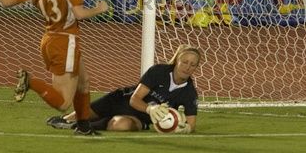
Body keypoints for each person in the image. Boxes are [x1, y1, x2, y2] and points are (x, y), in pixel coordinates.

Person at [0, 0, 109, 135]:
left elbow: (6, 2)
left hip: (50, 39)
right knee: (63, 103)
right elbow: (79, 14)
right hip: (65, 41)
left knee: (83, 82)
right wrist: (98, 9)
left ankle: (84, 127)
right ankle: (30, 81)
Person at [47, 44, 202, 134]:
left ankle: (87, 126)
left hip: (139, 118)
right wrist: (151, 109)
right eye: (185, 62)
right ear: (177, 61)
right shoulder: (158, 71)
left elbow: (191, 123)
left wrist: (181, 127)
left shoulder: (189, 92)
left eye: (193, 64)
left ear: (196, 68)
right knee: (68, 119)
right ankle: (71, 120)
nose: (188, 67)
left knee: (121, 126)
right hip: (121, 100)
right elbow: (135, 99)